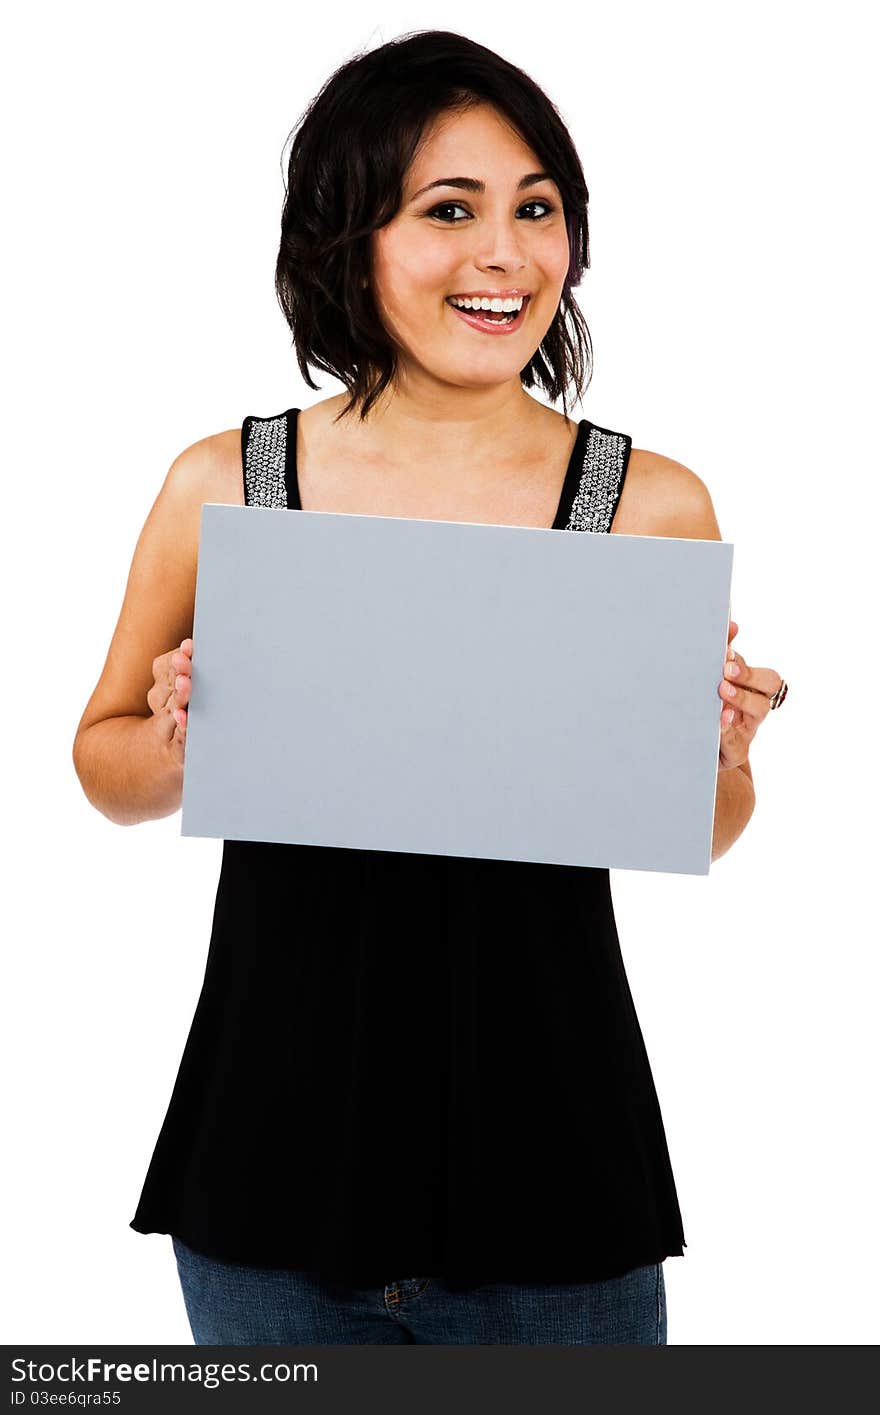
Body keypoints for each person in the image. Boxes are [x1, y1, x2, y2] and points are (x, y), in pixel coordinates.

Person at [72, 29, 787, 1346]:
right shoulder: (225, 481)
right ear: (351, 238)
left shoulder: (649, 505)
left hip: (557, 1179)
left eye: (536, 209)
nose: (504, 254)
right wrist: (182, 737)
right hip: (269, 1165)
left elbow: (699, 828)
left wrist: (724, 755)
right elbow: (101, 759)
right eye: (447, 210)